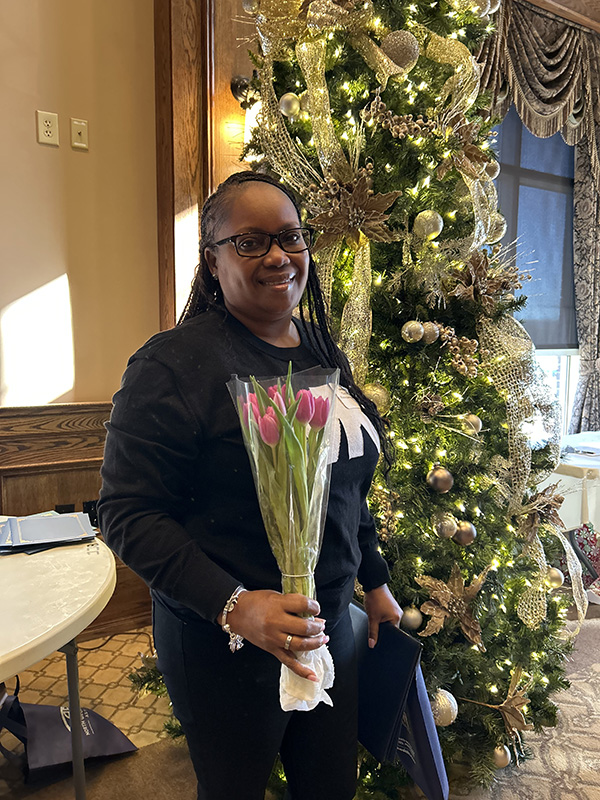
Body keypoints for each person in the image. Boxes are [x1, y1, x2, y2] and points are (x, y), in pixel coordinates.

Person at [98, 171, 402, 800]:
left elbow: (343, 491)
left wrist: (373, 581)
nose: (277, 257)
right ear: (212, 262)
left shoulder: (320, 349)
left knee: (329, 789)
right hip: (223, 644)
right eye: (251, 242)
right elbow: (128, 514)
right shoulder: (173, 365)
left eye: (291, 238)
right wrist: (238, 606)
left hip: (326, 628)